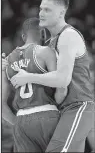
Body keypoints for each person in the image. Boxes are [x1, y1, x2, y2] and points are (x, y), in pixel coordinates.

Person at [10, 0, 95, 152]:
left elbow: (63, 80)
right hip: (63, 109)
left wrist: (28, 77)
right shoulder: (50, 42)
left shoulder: (68, 36)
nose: (41, 13)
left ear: (62, 12)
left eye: (47, 9)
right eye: (41, 8)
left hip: (78, 106)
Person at [2, 17, 61, 152]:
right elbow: (61, 88)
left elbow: (1, 106)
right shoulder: (46, 52)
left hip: (22, 119)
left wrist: (18, 124)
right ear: (43, 34)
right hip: (48, 115)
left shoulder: (6, 62)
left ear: (23, 36)